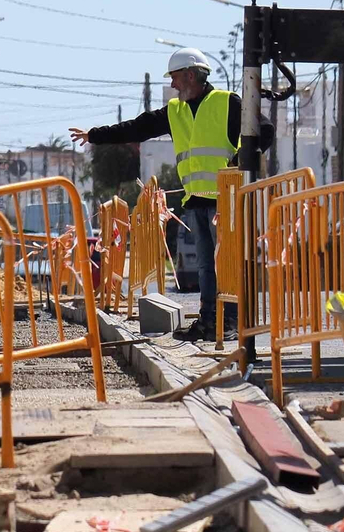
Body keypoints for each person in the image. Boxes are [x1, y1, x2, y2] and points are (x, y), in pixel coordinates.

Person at [70, 47, 272, 343]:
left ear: (191, 75)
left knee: (227, 265)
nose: (173, 85)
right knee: (206, 267)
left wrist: (240, 159)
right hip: (196, 200)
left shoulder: (226, 103)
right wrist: (95, 135)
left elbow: (263, 130)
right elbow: (139, 127)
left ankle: (230, 322)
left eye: (176, 78)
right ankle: (208, 321)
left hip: (227, 201)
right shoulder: (175, 111)